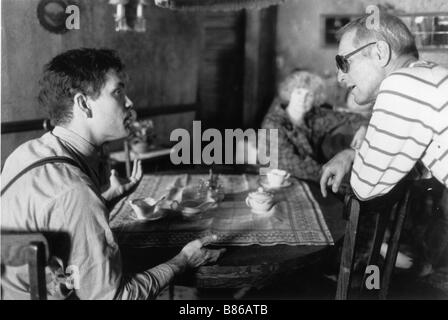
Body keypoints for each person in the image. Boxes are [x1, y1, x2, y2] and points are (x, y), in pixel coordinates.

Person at [1, 48, 225, 300]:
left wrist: (108, 199)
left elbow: (56, 227)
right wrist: (183, 261)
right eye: (118, 92)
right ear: (83, 104)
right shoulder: (75, 192)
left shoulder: (27, 151)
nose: (129, 102)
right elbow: (115, 298)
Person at [319, 11, 448, 275]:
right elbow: (418, 165)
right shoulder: (429, 76)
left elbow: (366, 188)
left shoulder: (401, 84)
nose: (340, 77)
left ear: (379, 53)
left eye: (344, 62)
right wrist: (353, 153)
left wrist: (356, 154)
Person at [261, 70, 369, 182]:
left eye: (309, 94)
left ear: (315, 98)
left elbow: (351, 117)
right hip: (280, 180)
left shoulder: (315, 115)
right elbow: (293, 165)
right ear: (290, 93)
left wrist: (363, 127)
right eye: (298, 92)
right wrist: (331, 175)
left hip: (314, 178)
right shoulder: (273, 122)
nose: (302, 99)